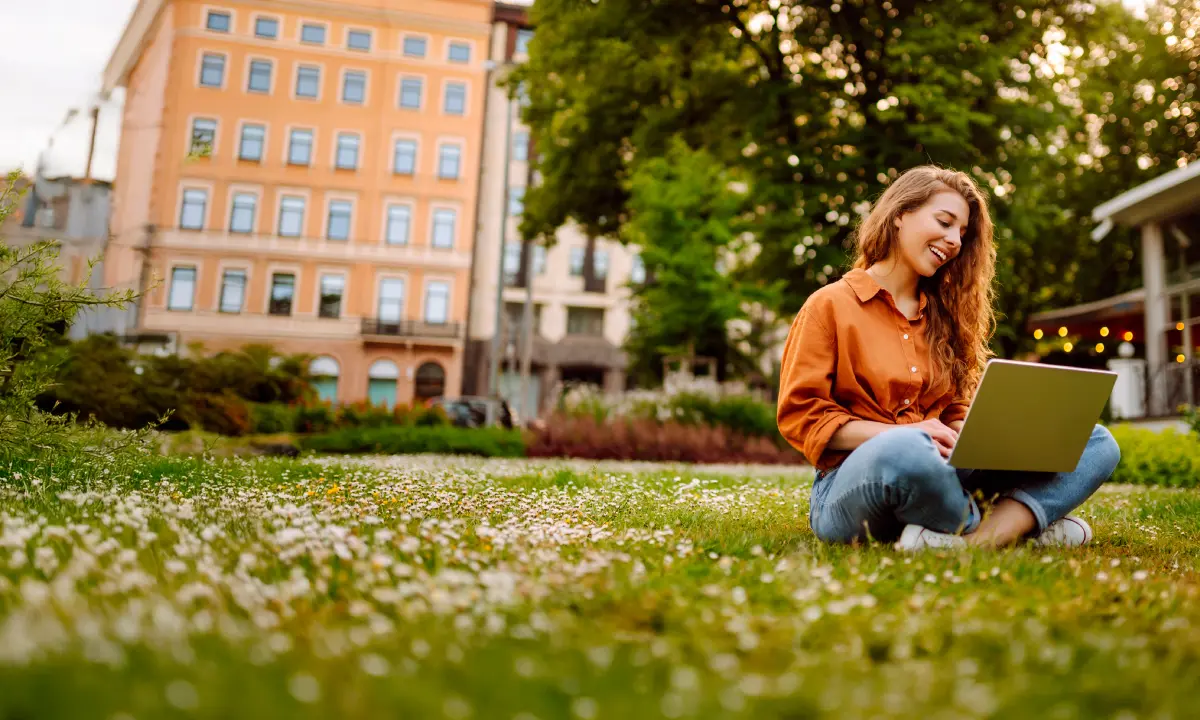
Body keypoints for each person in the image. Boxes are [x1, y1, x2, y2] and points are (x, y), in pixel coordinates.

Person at [776, 165, 1120, 551]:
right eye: (944, 221)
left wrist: (981, 432)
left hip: (946, 472)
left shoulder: (947, 318)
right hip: (855, 484)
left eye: (962, 232)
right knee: (906, 451)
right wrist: (907, 433)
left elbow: (954, 410)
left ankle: (978, 541)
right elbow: (802, 418)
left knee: (1097, 441)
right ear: (900, 215)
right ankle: (1018, 529)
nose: (954, 240)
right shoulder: (828, 306)